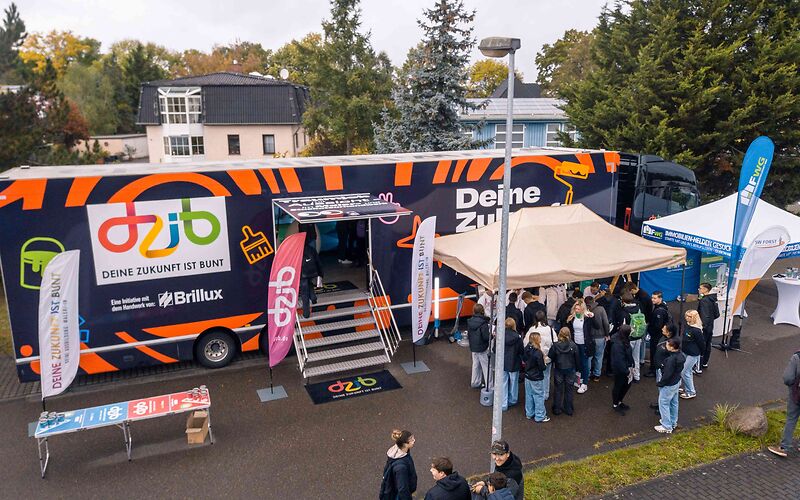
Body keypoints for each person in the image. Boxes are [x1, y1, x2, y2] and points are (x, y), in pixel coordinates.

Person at [768, 350, 800, 458]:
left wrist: (792, 386)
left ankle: (784, 447)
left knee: (791, 418)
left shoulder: (797, 357)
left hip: (797, 394)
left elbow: (788, 378)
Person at [655, 337, 686, 433]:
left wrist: (660, 383)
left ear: (672, 347)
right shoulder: (681, 356)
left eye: (668, 345)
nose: (666, 346)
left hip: (668, 385)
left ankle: (666, 426)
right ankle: (673, 422)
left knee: (663, 403)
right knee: (674, 403)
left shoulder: (671, 360)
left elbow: (667, 374)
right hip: (676, 382)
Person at [548, 327, 580, 416]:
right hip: (570, 369)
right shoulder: (573, 345)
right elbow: (577, 359)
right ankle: (568, 408)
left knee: (558, 389)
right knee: (569, 389)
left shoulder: (555, 345)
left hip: (559, 369)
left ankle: (557, 408)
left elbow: (550, 356)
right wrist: (578, 369)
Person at [525, 310, 556, 400]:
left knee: (534, 377)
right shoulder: (550, 330)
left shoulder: (532, 329)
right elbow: (555, 342)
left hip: (533, 358)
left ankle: (535, 394)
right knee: (546, 376)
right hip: (547, 358)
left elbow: (525, 343)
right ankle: (545, 394)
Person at [566, 299, 595, 394]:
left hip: (584, 343)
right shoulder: (573, 317)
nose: (577, 310)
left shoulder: (587, 317)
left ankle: (584, 383)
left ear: (583, 309)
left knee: (584, 363)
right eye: (576, 308)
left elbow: (596, 326)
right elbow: (570, 329)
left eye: (578, 309)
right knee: (576, 362)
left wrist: (592, 316)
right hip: (575, 343)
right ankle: (579, 380)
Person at [379, 429, 417, 500]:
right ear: (405, 444)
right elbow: (402, 489)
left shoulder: (399, 453)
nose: (414, 440)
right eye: (411, 440)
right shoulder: (401, 467)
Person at [650, 324, 677, 414]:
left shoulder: (672, 343)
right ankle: (659, 403)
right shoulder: (663, 337)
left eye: (664, 329)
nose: (662, 329)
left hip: (663, 370)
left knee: (664, 390)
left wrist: (662, 366)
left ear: (669, 333)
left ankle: (662, 407)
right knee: (660, 389)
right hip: (659, 368)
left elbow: (672, 358)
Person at [523, 331, 549, 422]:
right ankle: (540, 416)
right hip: (536, 377)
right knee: (538, 396)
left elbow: (524, 359)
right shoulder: (538, 353)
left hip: (528, 376)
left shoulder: (526, 349)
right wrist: (544, 364)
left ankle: (529, 413)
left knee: (529, 395)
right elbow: (542, 367)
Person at [645, 291, 672, 377]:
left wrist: (650, 331)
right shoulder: (662, 306)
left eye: (654, 298)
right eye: (652, 297)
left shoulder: (659, 311)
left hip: (657, 335)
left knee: (654, 352)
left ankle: (653, 370)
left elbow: (657, 325)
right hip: (660, 335)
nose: (652, 299)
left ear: (660, 298)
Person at [680, 310, 705, 400]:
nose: (687, 318)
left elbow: (701, 343)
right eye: (686, 316)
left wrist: (701, 354)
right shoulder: (687, 325)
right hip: (685, 351)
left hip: (693, 354)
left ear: (694, 318)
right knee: (688, 372)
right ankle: (687, 388)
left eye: (689, 316)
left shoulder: (697, 330)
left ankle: (691, 391)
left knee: (684, 372)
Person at [619, 292, 644, 382]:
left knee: (626, 357)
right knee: (636, 357)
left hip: (628, 337)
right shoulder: (638, 308)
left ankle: (628, 376)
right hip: (638, 335)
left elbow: (623, 326)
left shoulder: (624, 311)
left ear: (623, 301)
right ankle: (637, 376)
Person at [610, 324, 635, 415]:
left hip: (626, 368)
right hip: (621, 371)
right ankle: (615, 404)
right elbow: (619, 361)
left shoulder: (623, 339)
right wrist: (627, 371)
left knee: (626, 385)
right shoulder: (618, 345)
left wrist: (632, 365)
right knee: (618, 386)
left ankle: (619, 401)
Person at [299, 227, 323, 318]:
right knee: (309, 283)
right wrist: (320, 273)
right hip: (312, 272)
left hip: (302, 274)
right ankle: (313, 297)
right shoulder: (312, 249)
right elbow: (318, 262)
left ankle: (306, 313)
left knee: (304, 293)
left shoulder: (297, 251)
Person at [501, 318, 524, 411]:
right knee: (514, 383)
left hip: (503, 362)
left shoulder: (501, 335)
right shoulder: (517, 338)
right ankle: (513, 399)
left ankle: (503, 403)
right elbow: (521, 351)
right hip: (514, 362)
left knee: (503, 383)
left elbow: (495, 349)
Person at [585, 296, 609, 382]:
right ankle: (597, 375)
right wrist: (607, 334)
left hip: (589, 338)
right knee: (599, 356)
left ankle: (587, 375)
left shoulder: (585, 311)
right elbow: (606, 323)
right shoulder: (601, 309)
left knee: (589, 357)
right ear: (594, 300)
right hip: (600, 336)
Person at [468, 304, 492, 389]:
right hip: (482, 348)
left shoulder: (470, 321)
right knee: (486, 367)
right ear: (482, 311)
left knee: (475, 365)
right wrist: (492, 336)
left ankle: (475, 382)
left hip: (473, 347)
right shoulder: (483, 323)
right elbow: (486, 337)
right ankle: (489, 386)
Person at [697, 283, 719, 371]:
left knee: (701, 345)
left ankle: (698, 367)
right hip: (710, 326)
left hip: (705, 328)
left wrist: (702, 327)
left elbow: (704, 316)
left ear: (706, 289)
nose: (698, 289)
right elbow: (717, 314)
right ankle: (704, 362)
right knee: (707, 345)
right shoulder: (713, 299)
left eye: (700, 288)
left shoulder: (704, 301)